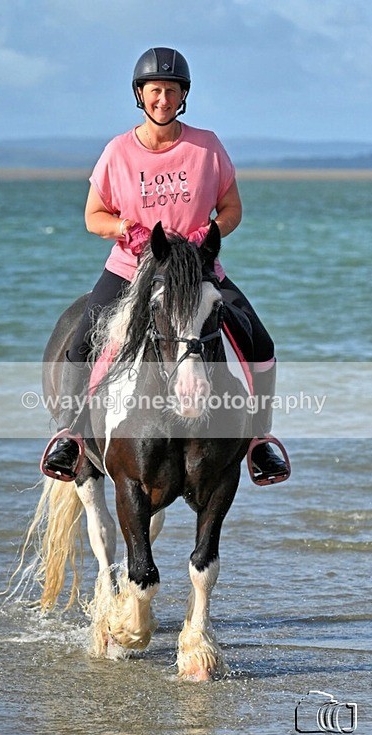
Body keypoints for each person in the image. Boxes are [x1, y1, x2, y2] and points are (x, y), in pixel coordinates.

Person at [42, 46, 289, 484]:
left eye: (171, 91)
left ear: (183, 96)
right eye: (155, 90)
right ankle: (71, 436)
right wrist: (128, 230)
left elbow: (231, 209)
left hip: (197, 272)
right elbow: (92, 216)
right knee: (80, 346)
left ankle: (259, 440)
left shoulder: (207, 147)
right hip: (130, 268)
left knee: (261, 345)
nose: (163, 99)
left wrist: (204, 239)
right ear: (140, 94)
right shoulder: (118, 152)